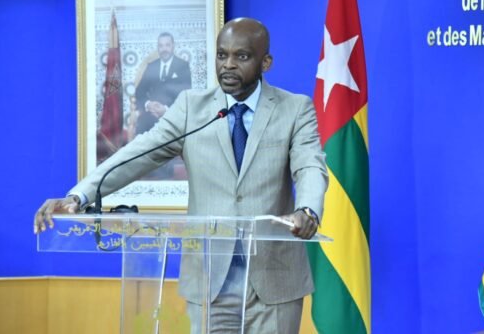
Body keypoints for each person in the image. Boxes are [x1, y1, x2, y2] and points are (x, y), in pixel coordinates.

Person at [34, 18, 328, 334]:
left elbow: (309, 166)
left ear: (265, 62)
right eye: (222, 55)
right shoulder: (191, 108)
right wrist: (79, 195)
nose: (228, 64)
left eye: (241, 56)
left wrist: (308, 209)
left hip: (274, 281)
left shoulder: (294, 109)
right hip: (209, 280)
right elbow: (138, 153)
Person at [134, 32, 192, 135]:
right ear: (158, 48)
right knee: (141, 129)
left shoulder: (183, 66)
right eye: (161, 46)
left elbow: (186, 95)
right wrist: (148, 104)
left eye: (167, 45)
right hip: (151, 115)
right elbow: (139, 91)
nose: (164, 49)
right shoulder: (151, 66)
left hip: (173, 114)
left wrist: (165, 109)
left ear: (173, 46)